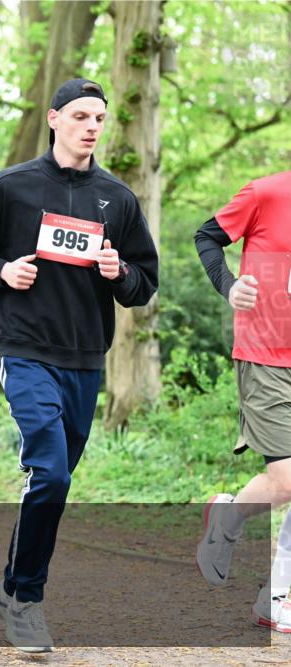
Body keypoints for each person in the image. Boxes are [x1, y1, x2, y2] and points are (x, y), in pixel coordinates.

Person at [0, 78, 159, 652]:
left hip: (86, 356)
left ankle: (13, 589)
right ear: (54, 118)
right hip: (23, 347)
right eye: (82, 115)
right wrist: (2, 272)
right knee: (51, 470)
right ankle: (29, 603)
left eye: (101, 118)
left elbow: (144, 284)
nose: (93, 126)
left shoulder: (117, 198)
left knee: (55, 484)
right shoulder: (12, 187)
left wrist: (120, 273)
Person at [193, 170, 291, 633]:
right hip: (267, 355)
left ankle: (277, 596)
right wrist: (228, 285)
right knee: (288, 480)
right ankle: (227, 517)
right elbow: (207, 237)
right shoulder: (267, 192)